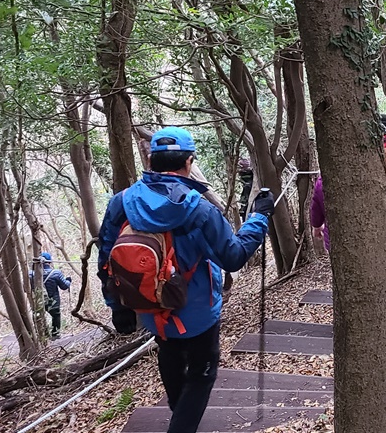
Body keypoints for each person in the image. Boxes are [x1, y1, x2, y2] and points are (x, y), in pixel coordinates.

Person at [97, 127, 272, 433]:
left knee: (170, 356)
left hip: (150, 309)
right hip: (197, 313)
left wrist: (118, 307)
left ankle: (182, 420)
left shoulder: (122, 202)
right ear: (189, 161)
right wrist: (259, 217)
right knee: (202, 376)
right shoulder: (198, 208)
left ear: (151, 161)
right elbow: (233, 256)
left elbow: (106, 260)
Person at [37, 252, 71, 338]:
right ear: (50, 262)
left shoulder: (32, 274)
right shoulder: (55, 273)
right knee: (56, 315)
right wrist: (69, 280)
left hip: (38, 301)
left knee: (39, 317)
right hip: (53, 301)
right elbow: (64, 286)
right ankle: (55, 334)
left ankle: (42, 335)